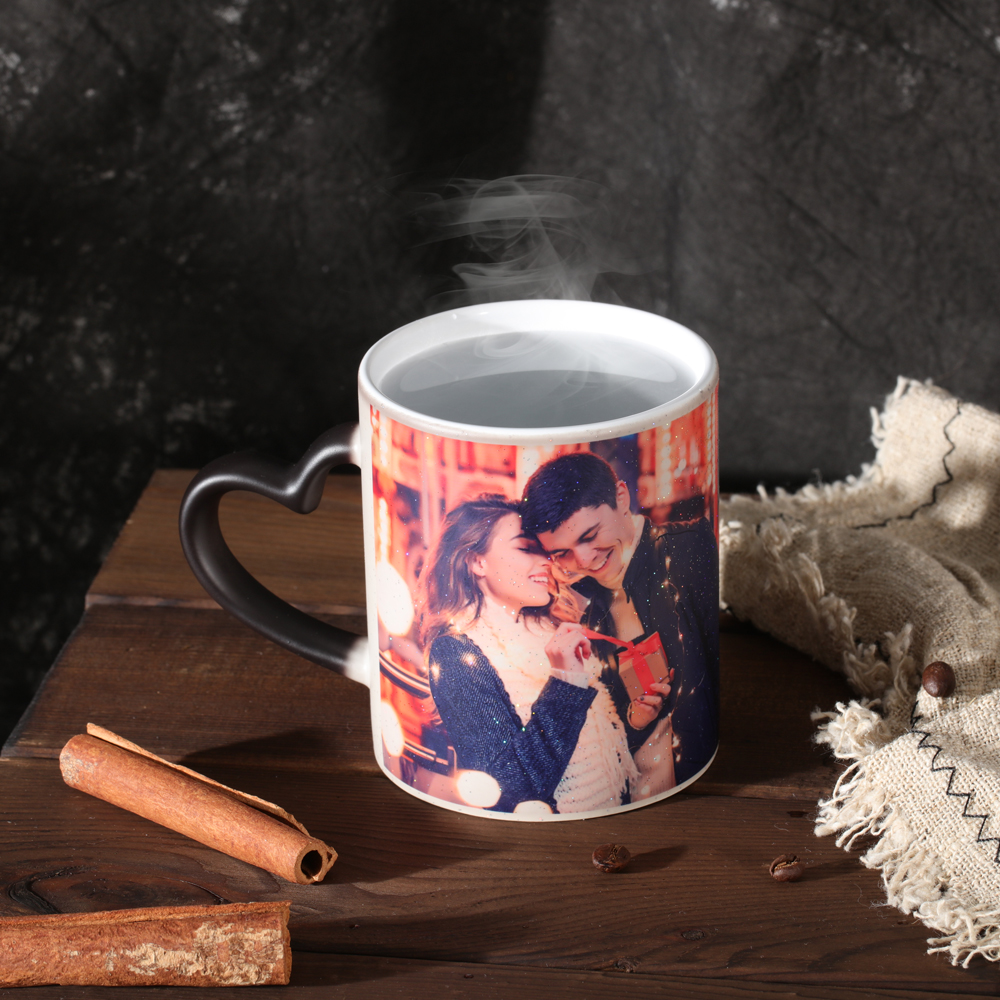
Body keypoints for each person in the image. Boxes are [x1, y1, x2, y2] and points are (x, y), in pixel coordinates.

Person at [420, 494, 641, 814]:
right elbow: (505, 788)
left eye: (545, 550)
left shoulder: (552, 626)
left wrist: (638, 717)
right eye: (525, 548)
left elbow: (598, 737)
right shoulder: (456, 653)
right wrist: (565, 682)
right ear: (477, 562)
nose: (546, 562)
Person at [521, 452, 719, 787]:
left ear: (622, 498)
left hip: (703, 785)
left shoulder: (689, 550)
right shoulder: (589, 608)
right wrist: (636, 718)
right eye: (562, 553)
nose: (584, 560)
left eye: (589, 535)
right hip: (639, 790)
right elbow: (613, 723)